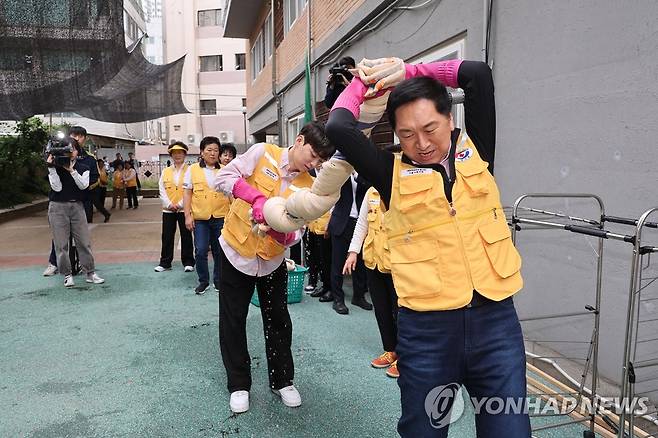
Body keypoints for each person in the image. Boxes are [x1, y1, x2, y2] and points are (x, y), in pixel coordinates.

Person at [325, 58, 529, 436]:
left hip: (496, 325)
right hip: (427, 332)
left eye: (430, 128)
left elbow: (477, 74)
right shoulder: (390, 173)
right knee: (423, 431)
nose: (421, 144)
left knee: (510, 431)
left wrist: (409, 72)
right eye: (406, 134)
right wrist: (361, 85)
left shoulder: (478, 153)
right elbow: (339, 126)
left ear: (450, 119)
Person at [214, 121, 334, 414]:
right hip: (235, 252)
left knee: (279, 320)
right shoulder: (262, 153)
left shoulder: (310, 185)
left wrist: (279, 231)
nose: (313, 162)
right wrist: (254, 197)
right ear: (299, 139)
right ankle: (239, 384)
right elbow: (222, 178)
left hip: (272, 260)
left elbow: (299, 232)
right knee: (233, 320)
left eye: (320, 160)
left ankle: (282, 380)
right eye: (313, 154)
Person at [343, 181, 399, 378]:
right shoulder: (372, 192)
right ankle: (390, 350)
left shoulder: (403, 189)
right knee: (381, 309)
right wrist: (352, 252)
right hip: (373, 261)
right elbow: (362, 224)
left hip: (397, 264)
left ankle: (406, 357)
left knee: (400, 311)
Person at [46, 137, 104, 287]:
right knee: (61, 244)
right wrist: (52, 168)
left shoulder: (83, 166)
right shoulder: (55, 166)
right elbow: (56, 188)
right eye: (66, 148)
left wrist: (71, 171)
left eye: (72, 148)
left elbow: (83, 186)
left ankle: (90, 273)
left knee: (84, 241)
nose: (69, 151)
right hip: (57, 207)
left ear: (77, 151)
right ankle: (67, 274)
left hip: (77, 206)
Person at [321, 172, 372, 314]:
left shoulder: (365, 172)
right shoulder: (340, 172)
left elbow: (367, 185)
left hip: (362, 223)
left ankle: (359, 296)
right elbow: (331, 197)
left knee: (360, 263)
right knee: (337, 263)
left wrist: (357, 172)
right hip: (342, 222)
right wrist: (328, 222)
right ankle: (338, 299)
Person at [183, 136, 229, 294]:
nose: (213, 153)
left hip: (221, 216)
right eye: (209, 150)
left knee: (219, 250)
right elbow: (187, 194)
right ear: (202, 152)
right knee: (201, 250)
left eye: (216, 150)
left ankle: (218, 281)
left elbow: (230, 194)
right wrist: (187, 216)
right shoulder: (193, 169)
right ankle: (203, 281)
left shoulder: (224, 170)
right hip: (200, 218)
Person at [155, 142, 195, 273]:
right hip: (168, 210)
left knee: (186, 235)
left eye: (180, 152)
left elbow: (191, 189)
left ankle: (188, 262)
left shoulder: (190, 170)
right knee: (167, 236)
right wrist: (168, 204)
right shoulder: (166, 171)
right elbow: (162, 189)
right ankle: (165, 262)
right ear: (171, 155)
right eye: (174, 153)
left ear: (185, 154)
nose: (177, 155)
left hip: (184, 209)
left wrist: (179, 204)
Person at [68, 126, 103, 223]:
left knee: (84, 230)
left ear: (85, 138)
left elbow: (95, 177)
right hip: (64, 201)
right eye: (74, 136)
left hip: (84, 199)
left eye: (80, 136)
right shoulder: (59, 156)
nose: (77, 139)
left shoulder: (90, 158)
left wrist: (82, 184)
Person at [304, 207, 332, 298]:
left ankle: (328, 286)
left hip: (324, 226)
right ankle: (313, 281)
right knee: (310, 254)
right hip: (310, 224)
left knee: (324, 258)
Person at [95, 158, 111, 223]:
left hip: (103, 186)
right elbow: (97, 177)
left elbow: (105, 176)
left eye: (102, 164)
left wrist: (106, 182)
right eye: (100, 164)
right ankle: (104, 212)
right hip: (98, 186)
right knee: (97, 200)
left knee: (100, 199)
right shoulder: (96, 169)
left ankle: (104, 212)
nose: (101, 165)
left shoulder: (104, 169)